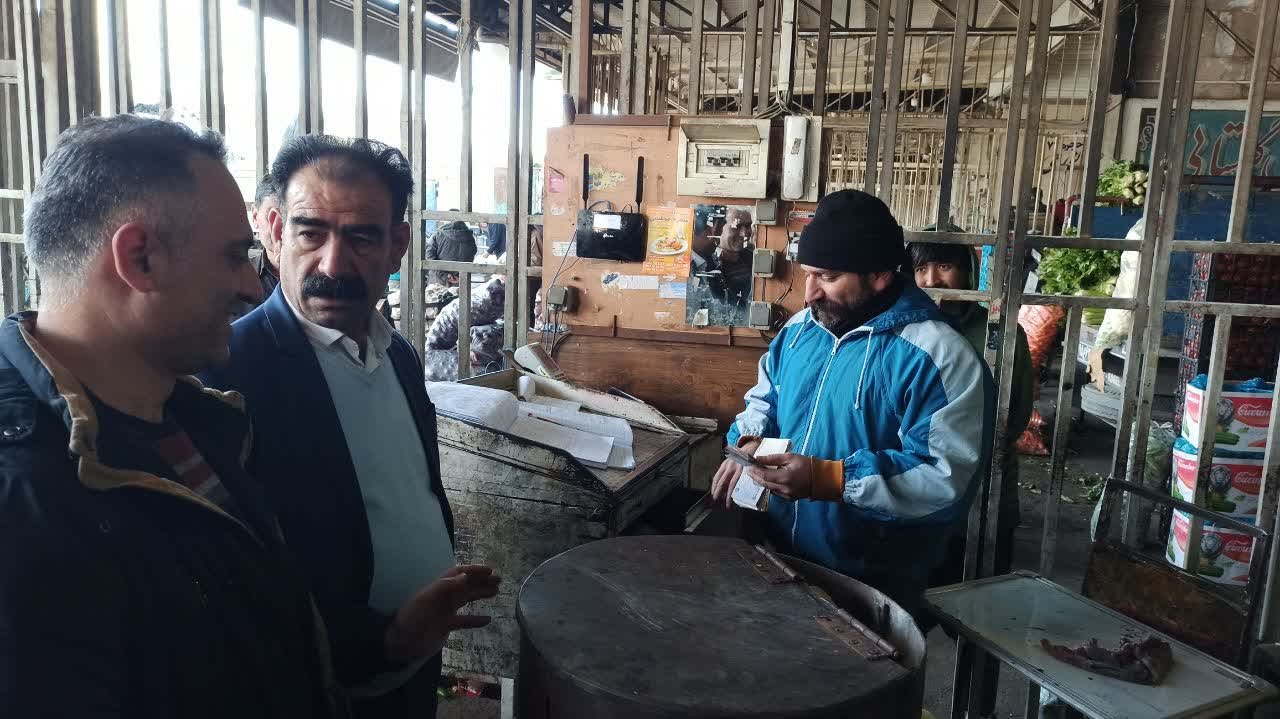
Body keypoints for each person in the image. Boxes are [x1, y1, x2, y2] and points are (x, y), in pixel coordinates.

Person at [0, 115, 341, 717]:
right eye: (234, 256)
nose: (251, 285)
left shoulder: (199, 420)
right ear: (140, 259)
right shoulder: (22, 502)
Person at [200, 135, 499, 719]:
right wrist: (382, 641)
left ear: (397, 246)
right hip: (315, 691)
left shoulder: (398, 355)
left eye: (361, 237)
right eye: (311, 233)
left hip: (413, 670)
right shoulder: (228, 372)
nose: (333, 265)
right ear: (274, 231)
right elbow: (233, 581)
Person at [709, 189, 994, 619]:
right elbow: (766, 399)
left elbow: (943, 476)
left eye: (826, 277)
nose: (809, 293)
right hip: (783, 556)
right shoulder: (801, 331)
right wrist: (748, 442)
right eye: (807, 274)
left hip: (875, 579)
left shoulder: (937, 355)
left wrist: (828, 479)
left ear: (878, 275)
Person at [909, 228, 1034, 718]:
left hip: (986, 501)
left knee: (982, 629)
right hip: (916, 503)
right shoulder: (903, 331)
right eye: (920, 268)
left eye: (944, 266)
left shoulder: (1001, 333)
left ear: (968, 272)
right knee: (903, 620)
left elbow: (1013, 418)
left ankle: (976, 709)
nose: (931, 280)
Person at [250, 172, 281, 302]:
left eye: (290, 218)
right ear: (255, 216)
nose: (279, 227)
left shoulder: (328, 272)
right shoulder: (235, 278)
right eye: (271, 217)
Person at [424, 215, 477, 286]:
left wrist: (445, 275)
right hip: (460, 280)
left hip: (438, 281)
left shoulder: (438, 235)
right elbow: (472, 255)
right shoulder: (470, 237)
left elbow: (429, 258)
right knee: (459, 293)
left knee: (437, 293)